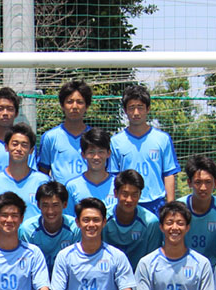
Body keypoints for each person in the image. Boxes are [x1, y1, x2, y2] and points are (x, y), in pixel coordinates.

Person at [108, 84, 179, 212]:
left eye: (140, 108)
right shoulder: (116, 141)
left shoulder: (162, 139)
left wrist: (171, 206)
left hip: (156, 204)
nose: (136, 113)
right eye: (131, 108)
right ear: (125, 110)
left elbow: (168, 174)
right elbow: (113, 176)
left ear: (148, 109)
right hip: (127, 204)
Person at [0, 123, 50, 222]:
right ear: (6, 147)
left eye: (24, 145)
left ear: (31, 150)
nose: (19, 149)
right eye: (15, 144)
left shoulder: (42, 181)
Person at [104, 170, 163, 270]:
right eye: (125, 194)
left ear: (140, 195)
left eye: (134, 195)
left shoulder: (151, 222)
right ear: (115, 193)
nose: (129, 200)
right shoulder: (102, 219)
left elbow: (154, 260)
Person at [178, 155, 216, 266]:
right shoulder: (177, 209)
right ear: (189, 183)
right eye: (198, 182)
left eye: (208, 182)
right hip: (181, 268)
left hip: (212, 272)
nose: (203, 188)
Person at [37, 79, 93, 185]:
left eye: (80, 102)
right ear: (62, 106)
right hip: (60, 198)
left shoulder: (95, 137)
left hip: (88, 198)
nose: (75, 107)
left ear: (87, 106)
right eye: (70, 102)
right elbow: (43, 172)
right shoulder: (50, 137)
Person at [20, 181, 81, 272]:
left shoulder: (75, 228)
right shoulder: (27, 230)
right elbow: (26, 267)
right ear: (38, 205)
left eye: (55, 205)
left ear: (64, 205)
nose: (50, 211)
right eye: (45, 205)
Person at [65, 128, 117, 212]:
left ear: (108, 153)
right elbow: (69, 219)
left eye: (101, 152)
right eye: (91, 152)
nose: (96, 157)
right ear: (83, 155)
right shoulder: (72, 186)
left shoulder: (117, 184)